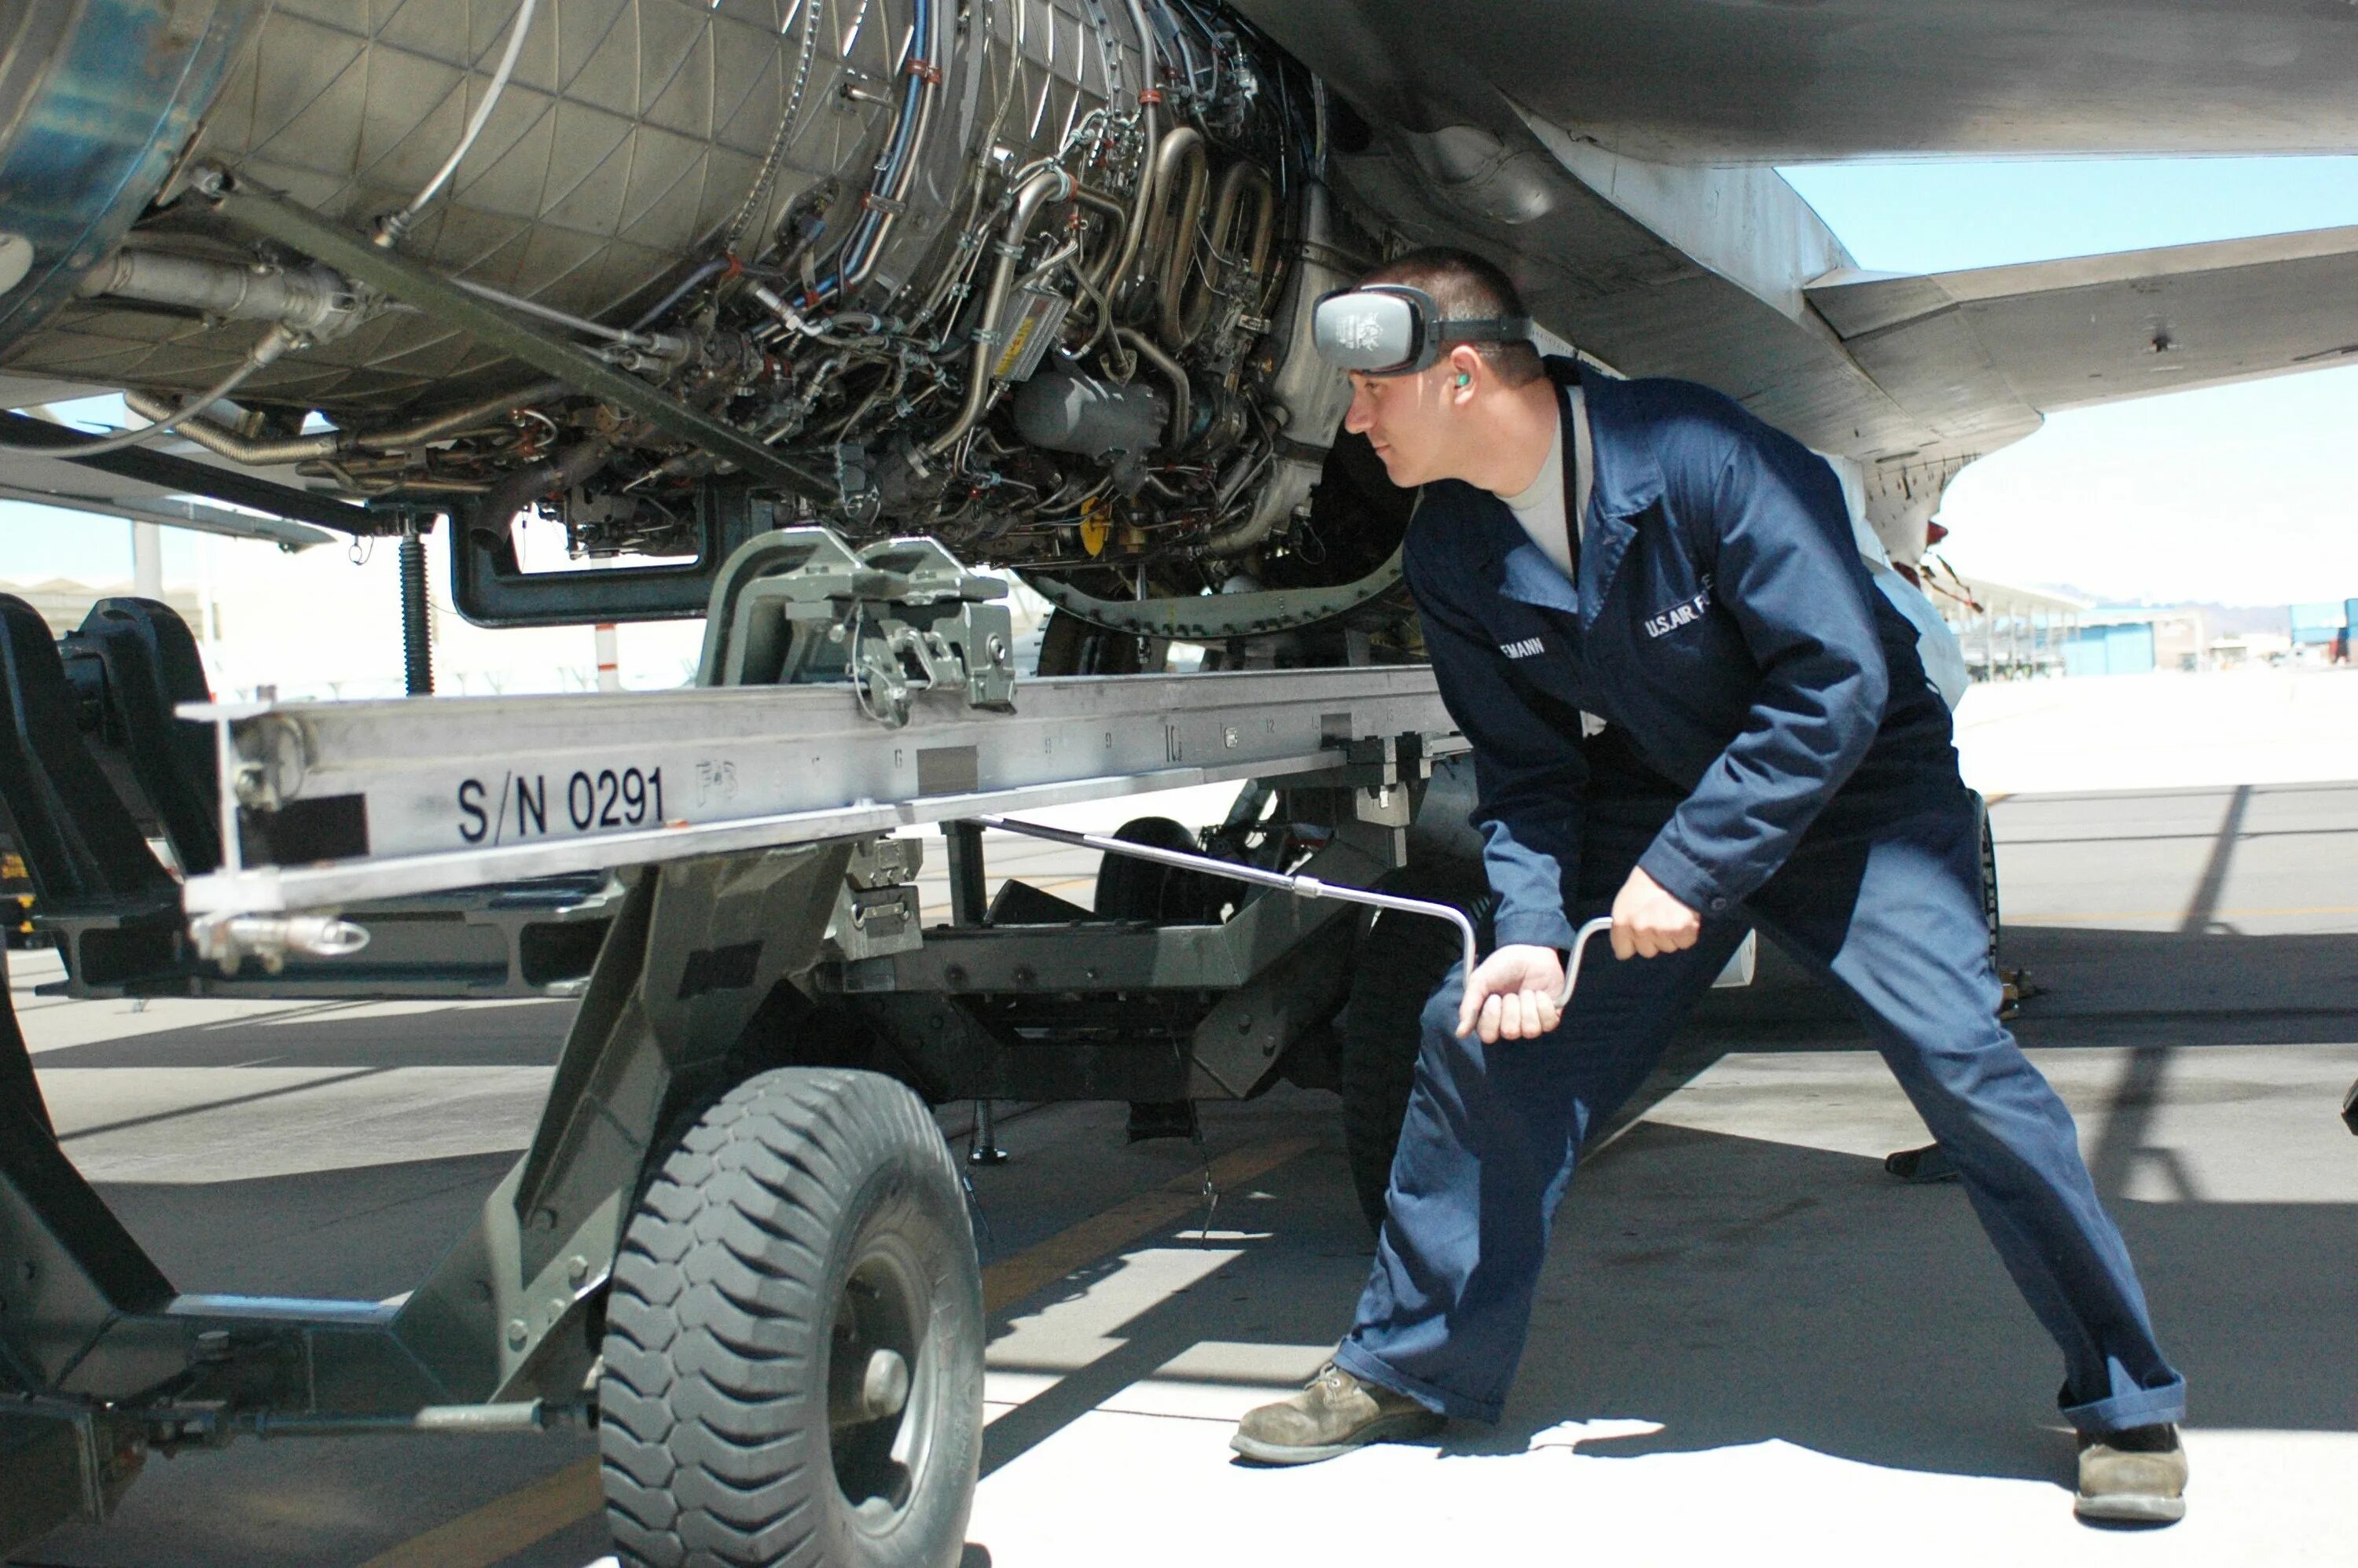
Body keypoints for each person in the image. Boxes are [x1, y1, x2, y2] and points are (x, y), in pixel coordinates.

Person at [1229, 248, 2188, 1524]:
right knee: (1476, 1039)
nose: (1351, 419)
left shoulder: (1699, 455)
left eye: (1370, 392)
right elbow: (1524, 774)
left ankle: (2127, 1404)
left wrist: (1694, 867)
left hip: (1859, 797)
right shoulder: (1452, 551)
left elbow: (1836, 679)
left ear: (1460, 377)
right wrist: (1522, 933)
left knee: (1965, 1064)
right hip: (1659, 788)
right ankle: (1410, 1362)